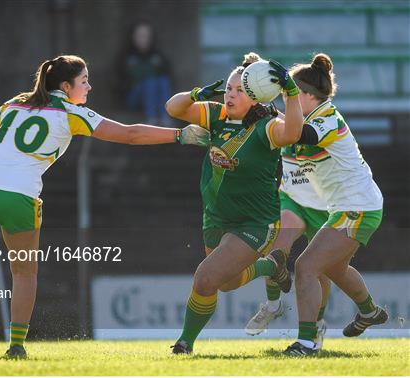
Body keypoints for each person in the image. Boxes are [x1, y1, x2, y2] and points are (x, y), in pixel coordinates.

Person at [0, 55, 209, 359]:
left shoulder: (14, 104)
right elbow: (131, 134)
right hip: (18, 196)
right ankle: (17, 345)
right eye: (84, 81)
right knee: (24, 273)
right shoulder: (73, 113)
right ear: (66, 86)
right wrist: (179, 136)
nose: (89, 87)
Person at [165, 52, 305, 354]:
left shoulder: (267, 125)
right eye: (229, 88)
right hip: (216, 217)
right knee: (224, 283)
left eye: (239, 90)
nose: (230, 94)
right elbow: (172, 107)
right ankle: (271, 266)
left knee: (204, 278)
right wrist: (194, 94)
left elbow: (294, 132)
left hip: (256, 222)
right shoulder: (216, 115)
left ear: (256, 96)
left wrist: (290, 92)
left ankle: (184, 343)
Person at [278, 53, 386, 356]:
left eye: (291, 94)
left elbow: (303, 135)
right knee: (336, 268)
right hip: (348, 206)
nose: (286, 101)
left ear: (308, 96)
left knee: (306, 266)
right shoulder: (310, 116)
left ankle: (307, 343)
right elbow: (288, 131)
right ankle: (369, 312)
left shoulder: (326, 118)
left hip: (358, 207)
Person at [245, 144, 331, 350]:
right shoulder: (284, 119)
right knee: (275, 250)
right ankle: (273, 305)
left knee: (322, 270)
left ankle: (317, 323)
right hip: (293, 199)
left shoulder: (326, 118)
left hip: (323, 204)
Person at [116, 21, 173, 126]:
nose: (143, 39)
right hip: (133, 98)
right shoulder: (127, 56)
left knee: (163, 80)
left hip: (156, 98)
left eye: (146, 36)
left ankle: (165, 117)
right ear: (133, 36)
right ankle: (151, 119)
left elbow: (167, 73)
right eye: (140, 35)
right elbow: (123, 80)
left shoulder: (157, 55)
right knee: (149, 82)